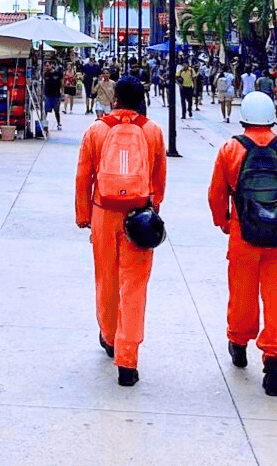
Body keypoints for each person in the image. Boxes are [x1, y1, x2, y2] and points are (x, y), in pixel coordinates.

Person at [208, 91, 277, 397]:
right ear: (272, 118)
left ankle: (238, 341)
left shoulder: (230, 149)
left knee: (241, 292)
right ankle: (274, 359)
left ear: (244, 118)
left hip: (243, 234)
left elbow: (216, 194)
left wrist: (225, 223)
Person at [76, 75, 167, 387]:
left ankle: (109, 336)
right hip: (138, 216)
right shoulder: (152, 131)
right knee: (134, 288)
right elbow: (158, 177)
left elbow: (83, 175)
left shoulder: (97, 130)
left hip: (104, 214)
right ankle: (127, 360)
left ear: (114, 97)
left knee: (106, 280)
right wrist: (153, 210)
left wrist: (83, 215)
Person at [44, 61, 63, 129]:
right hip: (48, 95)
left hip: (56, 94)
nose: (47, 67)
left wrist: (62, 90)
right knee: (46, 110)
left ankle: (58, 123)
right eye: (46, 65)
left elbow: (62, 82)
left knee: (56, 110)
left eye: (48, 65)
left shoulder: (57, 74)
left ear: (51, 65)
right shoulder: (45, 74)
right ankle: (44, 123)